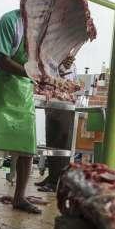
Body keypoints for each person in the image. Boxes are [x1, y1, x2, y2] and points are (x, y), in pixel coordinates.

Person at [0, 6, 41, 215]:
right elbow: (4, 60)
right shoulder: (9, 20)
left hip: (24, 91)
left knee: (26, 148)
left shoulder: (40, 27)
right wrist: (30, 72)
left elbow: (44, 58)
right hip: (3, 86)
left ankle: (19, 197)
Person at [34, 56, 77, 192]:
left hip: (64, 103)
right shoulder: (51, 58)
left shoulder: (70, 63)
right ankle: (52, 176)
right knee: (51, 141)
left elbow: (68, 81)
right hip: (52, 102)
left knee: (61, 142)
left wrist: (63, 67)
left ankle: (57, 181)